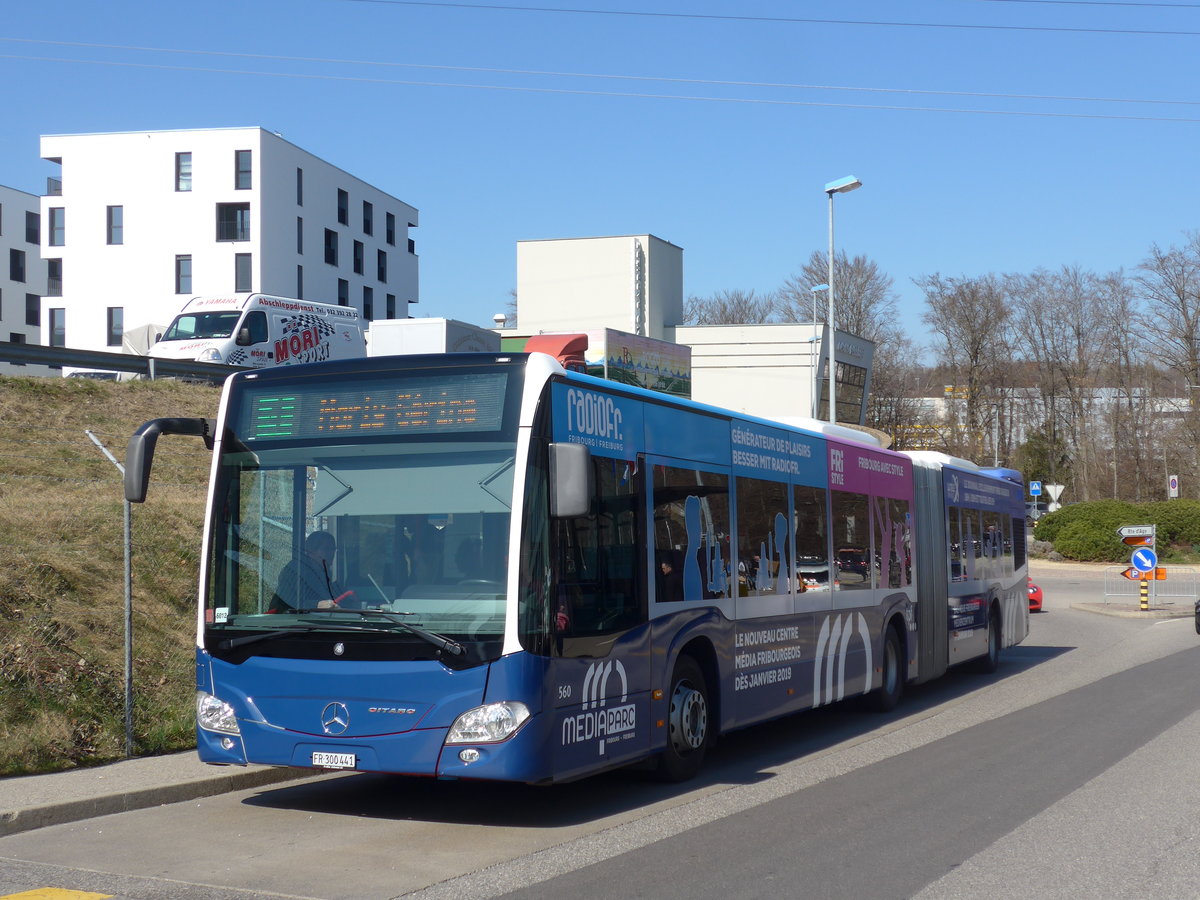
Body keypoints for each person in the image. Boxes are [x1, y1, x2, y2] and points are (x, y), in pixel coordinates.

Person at [269, 531, 347, 612]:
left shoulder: (325, 572)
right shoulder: (296, 570)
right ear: (311, 551)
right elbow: (287, 602)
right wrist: (317, 604)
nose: (331, 553)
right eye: (326, 549)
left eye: (333, 549)